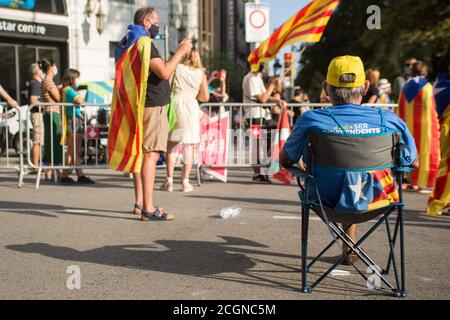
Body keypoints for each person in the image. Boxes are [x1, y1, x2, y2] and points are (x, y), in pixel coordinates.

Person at [280, 56, 417, 265]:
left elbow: (286, 159)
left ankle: (349, 245)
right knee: (357, 176)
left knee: (344, 176)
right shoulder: (389, 120)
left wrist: (299, 166)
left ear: (326, 88)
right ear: (365, 87)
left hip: (325, 199)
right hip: (378, 199)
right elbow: (411, 161)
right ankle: (352, 246)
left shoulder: (311, 120)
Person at [120, 7, 192, 220]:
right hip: (152, 107)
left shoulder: (132, 41)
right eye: (157, 21)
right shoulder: (144, 43)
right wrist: (180, 51)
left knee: (143, 155)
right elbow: (165, 71)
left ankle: (141, 203)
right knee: (150, 155)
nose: (158, 26)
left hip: (143, 105)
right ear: (146, 21)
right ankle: (148, 209)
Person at [160, 48, 209, 192]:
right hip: (191, 106)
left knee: (172, 144)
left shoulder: (177, 67)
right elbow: (205, 97)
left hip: (176, 103)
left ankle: (169, 181)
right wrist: (193, 95)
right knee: (189, 146)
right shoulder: (200, 73)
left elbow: (167, 86)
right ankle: (185, 182)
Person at [397, 61, 440, 194]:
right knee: (427, 152)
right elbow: (433, 108)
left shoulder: (405, 87)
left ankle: (412, 182)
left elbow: (399, 108)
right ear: (425, 72)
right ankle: (425, 182)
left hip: (409, 127)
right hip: (426, 128)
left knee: (411, 151)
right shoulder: (427, 87)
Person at [242, 64, 287, 183]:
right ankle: (258, 173)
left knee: (266, 144)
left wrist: (277, 99)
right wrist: (272, 85)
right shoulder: (251, 78)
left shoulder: (257, 78)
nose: (265, 65)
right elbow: (262, 99)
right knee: (256, 145)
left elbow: (264, 97)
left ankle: (263, 171)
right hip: (254, 115)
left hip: (261, 115)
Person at [60, 68, 95, 185]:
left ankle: (78, 175)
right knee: (73, 150)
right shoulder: (69, 90)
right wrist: (82, 99)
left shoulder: (64, 89)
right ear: (72, 78)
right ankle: (69, 176)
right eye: (77, 77)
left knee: (73, 150)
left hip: (71, 119)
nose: (78, 80)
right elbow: (80, 100)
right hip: (74, 120)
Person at [427, 64, 450, 216]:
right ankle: (440, 202)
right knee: (446, 166)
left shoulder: (439, 84)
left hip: (444, 127)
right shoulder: (445, 86)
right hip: (447, 129)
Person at [39, 58, 63, 180]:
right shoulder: (48, 80)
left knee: (51, 142)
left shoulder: (46, 80)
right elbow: (58, 98)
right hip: (53, 113)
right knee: (55, 141)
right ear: (51, 66)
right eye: (55, 66)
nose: (56, 68)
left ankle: (50, 170)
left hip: (49, 113)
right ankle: (54, 171)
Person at [28, 63, 44, 172]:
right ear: (37, 71)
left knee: (39, 140)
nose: (43, 71)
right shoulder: (35, 83)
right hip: (37, 113)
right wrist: (47, 105)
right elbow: (33, 100)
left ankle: (37, 164)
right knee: (37, 140)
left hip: (39, 114)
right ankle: (35, 165)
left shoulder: (38, 83)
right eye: (41, 69)